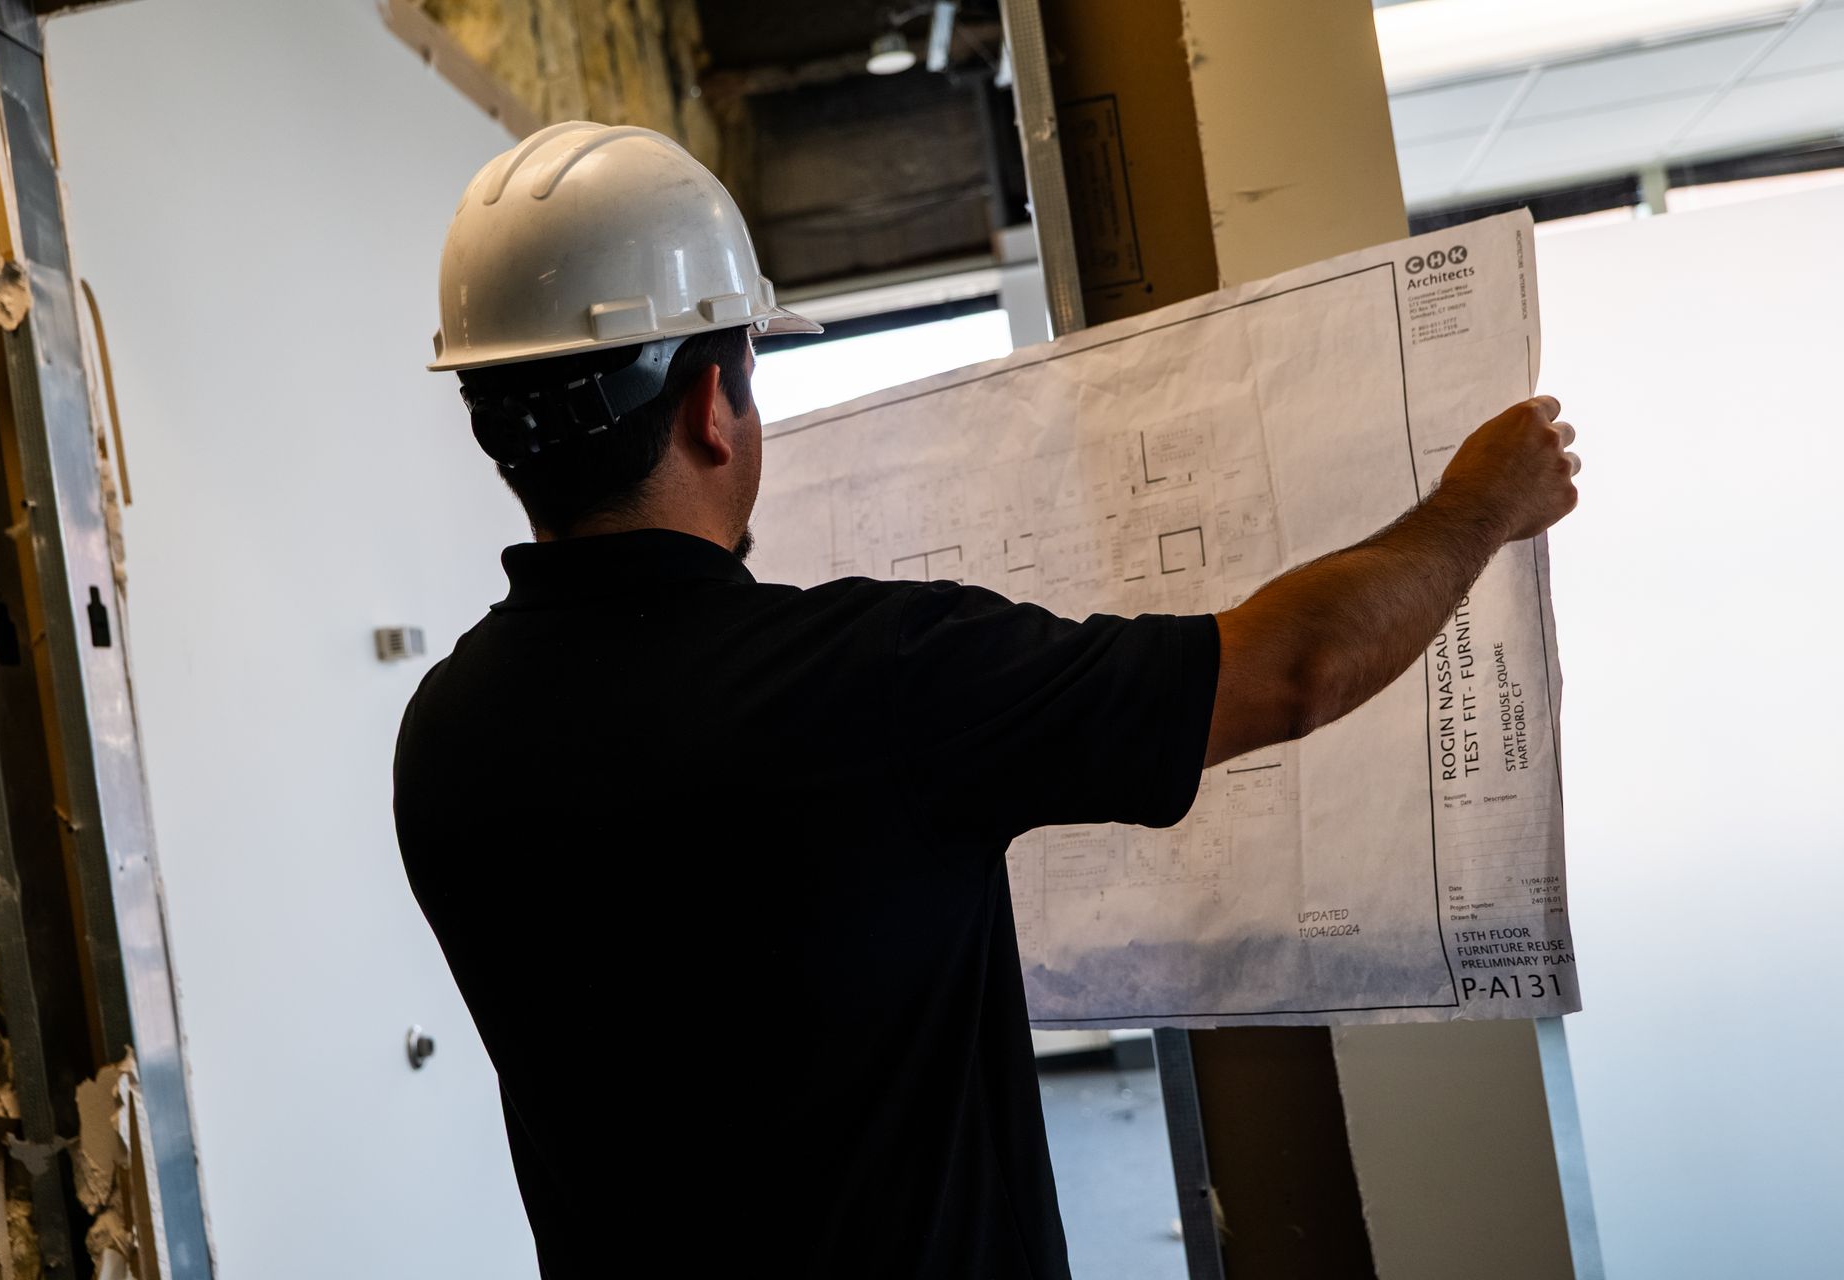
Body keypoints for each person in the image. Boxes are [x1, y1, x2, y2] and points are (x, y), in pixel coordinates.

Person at [392, 123, 1580, 1279]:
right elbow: (1291, 669)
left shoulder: (441, 739)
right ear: (713, 404)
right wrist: (1481, 503)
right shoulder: (880, 678)